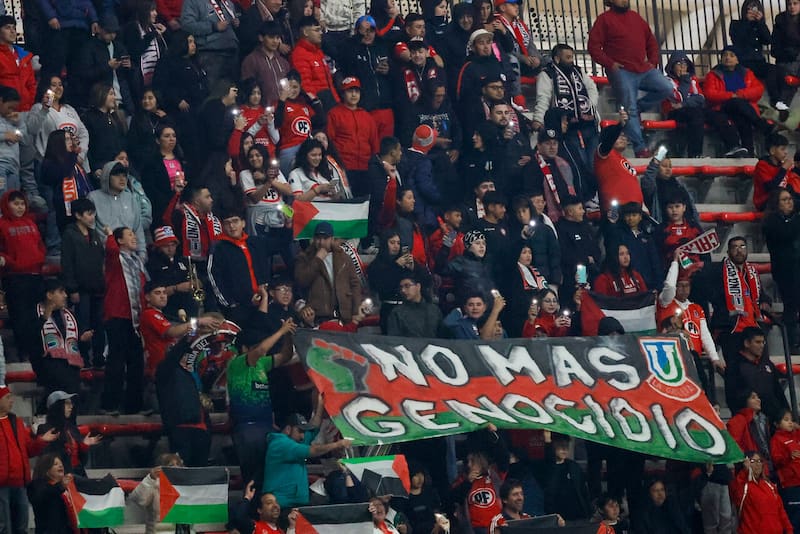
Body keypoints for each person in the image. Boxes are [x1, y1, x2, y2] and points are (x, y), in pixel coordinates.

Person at [587, 0, 672, 158]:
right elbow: (593, 47)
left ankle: (638, 108)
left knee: (666, 88)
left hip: (643, 69)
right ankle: (640, 148)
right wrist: (610, 64)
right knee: (629, 107)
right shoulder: (604, 19)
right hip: (622, 71)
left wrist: (652, 62)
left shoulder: (636, 17)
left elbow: (651, 42)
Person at [155, 314, 221, 466]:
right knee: (182, 477)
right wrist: (196, 324)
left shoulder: (193, 370)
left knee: (200, 475)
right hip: (181, 428)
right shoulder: (166, 369)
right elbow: (184, 345)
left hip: (202, 428)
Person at [100, 226, 147, 415]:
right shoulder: (115, 258)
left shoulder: (137, 262)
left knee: (137, 363)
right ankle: (109, 405)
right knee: (116, 361)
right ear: (119, 241)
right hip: (116, 316)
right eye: (129, 235)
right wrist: (110, 234)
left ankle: (133, 406)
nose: (134, 237)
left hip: (134, 319)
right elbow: (110, 248)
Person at [262, 411, 352, 507]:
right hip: (281, 504)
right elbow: (313, 450)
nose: (303, 436)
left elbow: (314, 428)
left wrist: (320, 405)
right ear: (288, 429)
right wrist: (338, 444)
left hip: (294, 504)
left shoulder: (295, 440)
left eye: (304, 432)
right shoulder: (280, 444)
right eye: (300, 431)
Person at [0, 386, 56, 534]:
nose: (11, 400)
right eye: (7, 398)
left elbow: (29, 449)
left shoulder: (16, 422)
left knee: (21, 525)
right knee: (4, 527)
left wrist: (41, 441)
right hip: (1, 485)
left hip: (20, 483)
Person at [707, 236, 771, 364]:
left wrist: (765, 302)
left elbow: (761, 295)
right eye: (734, 247)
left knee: (761, 368)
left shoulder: (751, 271)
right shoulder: (718, 271)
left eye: (742, 246)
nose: (739, 250)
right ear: (728, 252)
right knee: (735, 371)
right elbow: (708, 293)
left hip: (753, 328)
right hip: (732, 329)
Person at [0, 190, 46, 361]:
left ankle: (38, 351)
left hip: (35, 275)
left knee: (36, 316)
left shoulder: (31, 222)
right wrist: (9, 261)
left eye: (22, 203)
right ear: (7, 204)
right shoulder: (2, 224)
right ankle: (23, 353)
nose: (19, 207)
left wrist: (40, 258)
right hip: (15, 277)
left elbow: (40, 245)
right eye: (15, 203)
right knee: (20, 318)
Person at [703, 46, 772, 157]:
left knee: (742, 117)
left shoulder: (746, 73)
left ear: (737, 59)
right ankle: (761, 124)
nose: (727, 58)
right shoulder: (713, 74)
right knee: (736, 102)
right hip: (722, 107)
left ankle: (748, 151)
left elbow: (758, 89)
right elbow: (710, 94)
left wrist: (740, 95)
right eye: (725, 55)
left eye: (731, 55)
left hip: (742, 108)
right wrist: (732, 96)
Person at [60, 198, 105, 368]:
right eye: (88, 214)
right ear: (78, 215)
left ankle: (99, 357)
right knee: (83, 325)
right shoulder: (69, 235)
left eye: (93, 213)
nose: (92, 217)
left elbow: (100, 259)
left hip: (97, 288)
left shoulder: (94, 234)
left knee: (99, 324)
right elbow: (67, 264)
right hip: (80, 289)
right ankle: (84, 357)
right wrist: (72, 288)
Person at [207, 209, 272, 326]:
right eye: (227, 223)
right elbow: (213, 277)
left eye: (235, 221)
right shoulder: (219, 248)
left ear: (243, 223)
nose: (231, 226)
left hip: (263, 302)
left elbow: (281, 243)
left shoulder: (255, 242)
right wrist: (230, 304)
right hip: (238, 308)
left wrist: (287, 225)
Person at [32, 279, 91, 404]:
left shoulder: (70, 315)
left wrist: (83, 339)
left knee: (72, 401)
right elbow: (30, 340)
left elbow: (79, 342)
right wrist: (43, 319)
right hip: (49, 367)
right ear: (49, 295)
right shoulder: (34, 313)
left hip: (71, 368)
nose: (65, 295)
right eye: (61, 292)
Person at [294, 222, 363, 323]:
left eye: (325, 238)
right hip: (318, 315)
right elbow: (301, 281)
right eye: (318, 238)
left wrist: (356, 310)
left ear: (332, 239)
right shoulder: (304, 257)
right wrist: (317, 259)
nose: (321, 242)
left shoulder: (344, 257)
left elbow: (355, 284)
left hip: (344, 315)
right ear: (313, 239)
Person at [327, 77, 380, 196]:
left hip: (365, 168)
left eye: (356, 91)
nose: (354, 94)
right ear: (343, 93)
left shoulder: (367, 117)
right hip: (344, 168)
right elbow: (330, 140)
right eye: (350, 91)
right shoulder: (334, 114)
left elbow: (374, 143)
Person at [726, 327, 789, 423]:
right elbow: (732, 397)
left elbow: (778, 391)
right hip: (751, 422)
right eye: (757, 342)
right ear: (747, 343)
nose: (762, 346)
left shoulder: (767, 363)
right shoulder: (734, 366)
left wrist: (787, 413)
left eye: (763, 342)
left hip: (775, 419)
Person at [763, 188, 800, 350]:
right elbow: (786, 234)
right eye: (784, 200)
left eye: (790, 199)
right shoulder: (771, 222)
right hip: (785, 270)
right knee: (791, 306)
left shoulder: (795, 219)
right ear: (776, 204)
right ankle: (792, 344)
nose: (789, 202)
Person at [74, 14, 133, 113]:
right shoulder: (89, 48)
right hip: (101, 102)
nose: (112, 35)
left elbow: (129, 75)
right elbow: (84, 75)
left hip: (123, 100)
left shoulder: (119, 47)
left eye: (114, 32)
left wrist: (130, 66)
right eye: (108, 31)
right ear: (99, 29)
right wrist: (107, 66)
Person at [36, 391, 102, 476]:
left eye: (71, 403)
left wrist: (84, 446)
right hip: (62, 477)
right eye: (67, 403)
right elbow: (48, 462)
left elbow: (83, 462)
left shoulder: (72, 428)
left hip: (78, 474)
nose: (71, 407)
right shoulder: (45, 429)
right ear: (57, 406)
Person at [88, 161, 146, 257]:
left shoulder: (130, 198)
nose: (122, 179)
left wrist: (142, 255)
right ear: (107, 176)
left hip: (131, 258)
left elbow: (138, 230)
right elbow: (91, 231)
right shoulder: (93, 198)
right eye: (117, 175)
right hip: (106, 257)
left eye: (124, 175)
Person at [594, 109, 644, 214]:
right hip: (616, 212)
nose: (623, 138)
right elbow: (608, 142)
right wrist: (620, 125)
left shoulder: (623, 160)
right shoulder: (603, 154)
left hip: (634, 211)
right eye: (619, 136)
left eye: (624, 136)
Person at [729, 451, 793, 534]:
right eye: (753, 461)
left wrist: (789, 530)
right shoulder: (743, 486)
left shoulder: (770, 486)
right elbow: (735, 493)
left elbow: (781, 511)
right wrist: (745, 471)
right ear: (746, 463)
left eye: (759, 461)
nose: (757, 464)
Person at [179, 0, 240, 83]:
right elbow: (187, 26)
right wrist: (213, 26)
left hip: (232, 51)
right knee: (212, 92)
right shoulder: (192, 2)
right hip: (210, 53)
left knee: (232, 90)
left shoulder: (227, 2)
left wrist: (235, 23)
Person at [127, 452, 185, 534]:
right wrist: (150, 479)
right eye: (171, 465)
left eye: (178, 465)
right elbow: (140, 500)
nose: (176, 468)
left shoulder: (186, 486)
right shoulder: (153, 483)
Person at [290, 16, 339, 109]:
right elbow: (305, 85)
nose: (320, 33)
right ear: (305, 32)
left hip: (330, 103)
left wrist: (337, 101)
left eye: (320, 30)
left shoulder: (318, 52)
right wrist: (316, 105)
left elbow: (329, 83)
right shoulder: (299, 54)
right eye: (316, 30)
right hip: (318, 107)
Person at [241, 21, 291, 106]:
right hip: (262, 112)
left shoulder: (283, 62)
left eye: (277, 37)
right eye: (271, 37)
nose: (275, 41)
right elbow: (248, 90)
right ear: (261, 37)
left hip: (284, 109)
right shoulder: (251, 60)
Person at [26, 454, 78, 534]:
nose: (60, 466)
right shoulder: (37, 485)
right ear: (46, 470)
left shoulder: (66, 487)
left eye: (61, 464)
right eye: (55, 464)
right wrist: (60, 487)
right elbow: (41, 497)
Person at [752, 133, 800, 211]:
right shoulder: (762, 165)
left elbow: (789, 187)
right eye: (782, 149)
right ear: (772, 151)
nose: (786, 152)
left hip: (783, 199)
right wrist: (783, 169)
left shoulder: (783, 165)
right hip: (765, 202)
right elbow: (770, 187)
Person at [771, 409, 800, 531]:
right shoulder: (776, 439)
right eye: (786, 420)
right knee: (794, 517)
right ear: (777, 424)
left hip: (798, 481)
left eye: (791, 420)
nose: (790, 423)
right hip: (789, 484)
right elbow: (776, 460)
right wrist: (789, 456)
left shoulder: (795, 436)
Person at [231, 482, 299, 534]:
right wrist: (247, 498)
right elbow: (239, 517)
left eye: (276, 502)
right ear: (260, 510)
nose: (275, 505)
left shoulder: (280, 531)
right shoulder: (254, 527)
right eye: (269, 503)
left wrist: (292, 526)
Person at [0, 18, 35, 113]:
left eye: (14, 28)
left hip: (27, 110)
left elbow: (31, 84)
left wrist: (30, 103)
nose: (12, 31)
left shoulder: (24, 56)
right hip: (4, 112)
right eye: (7, 28)